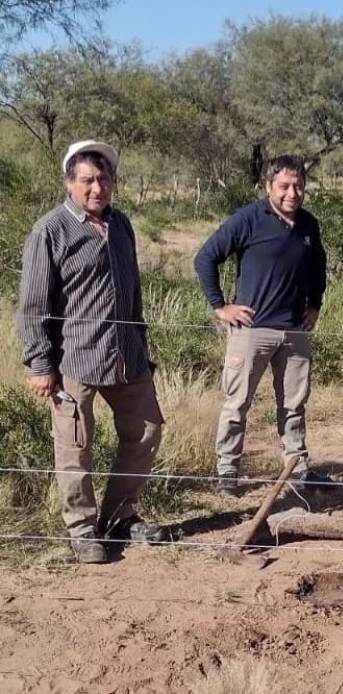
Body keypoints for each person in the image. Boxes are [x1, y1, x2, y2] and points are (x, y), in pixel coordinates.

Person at [16, 139, 165, 564]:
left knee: (147, 431)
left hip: (127, 357)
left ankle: (120, 517)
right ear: (69, 183)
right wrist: (39, 364)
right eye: (86, 181)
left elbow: (132, 292)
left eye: (103, 179)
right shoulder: (51, 230)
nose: (96, 188)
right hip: (74, 360)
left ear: (113, 182)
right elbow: (32, 305)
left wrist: (141, 346)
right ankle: (83, 529)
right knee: (75, 446)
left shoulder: (122, 225)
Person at [194, 155, 328, 497]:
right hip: (251, 330)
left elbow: (318, 268)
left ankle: (296, 470)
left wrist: (315, 305)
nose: (292, 193)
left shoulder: (309, 225)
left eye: (298, 186)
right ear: (268, 186)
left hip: (294, 332)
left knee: (294, 405)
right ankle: (227, 472)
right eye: (284, 186)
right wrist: (220, 306)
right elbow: (205, 257)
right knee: (237, 404)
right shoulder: (249, 219)